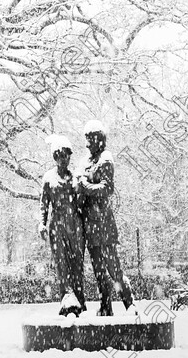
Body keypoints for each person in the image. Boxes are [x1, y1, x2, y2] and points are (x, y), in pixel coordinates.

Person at [76, 120, 137, 317]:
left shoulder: (105, 160)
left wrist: (85, 187)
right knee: (99, 271)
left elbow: (106, 188)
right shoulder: (86, 161)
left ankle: (130, 305)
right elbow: (79, 181)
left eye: (90, 140)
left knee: (114, 270)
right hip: (90, 227)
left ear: (99, 140)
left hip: (103, 225)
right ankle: (106, 306)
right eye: (86, 140)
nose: (87, 144)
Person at [39, 134, 86, 316]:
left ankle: (79, 299)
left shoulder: (75, 178)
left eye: (66, 155)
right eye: (60, 156)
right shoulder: (49, 178)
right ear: (55, 157)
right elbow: (44, 204)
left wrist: (80, 190)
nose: (63, 159)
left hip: (75, 224)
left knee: (77, 263)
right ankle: (67, 298)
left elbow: (82, 203)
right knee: (61, 263)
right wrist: (42, 224)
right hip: (57, 224)